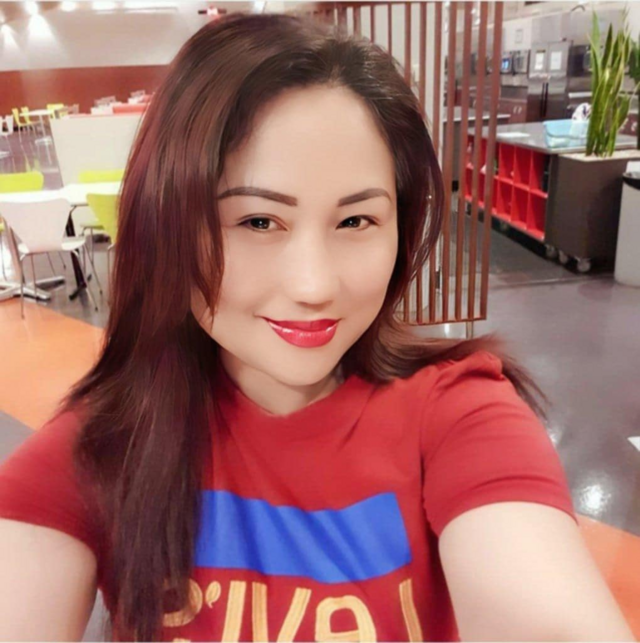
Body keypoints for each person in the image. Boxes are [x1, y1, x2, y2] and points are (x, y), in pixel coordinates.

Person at [0, 11, 635, 643]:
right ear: (167, 222)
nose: (314, 286)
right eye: (257, 221)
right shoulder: (105, 445)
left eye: (356, 221)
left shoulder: (457, 414)